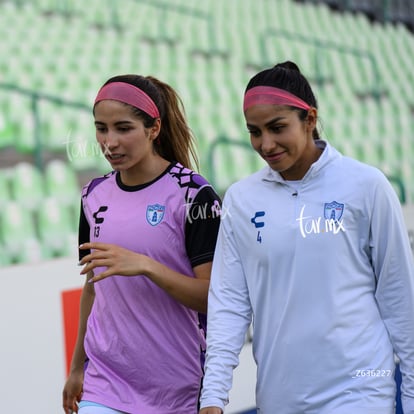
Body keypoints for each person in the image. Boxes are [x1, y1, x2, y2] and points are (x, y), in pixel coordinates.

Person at [199, 61, 414, 414]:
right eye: (254, 132)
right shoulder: (241, 198)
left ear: (310, 119)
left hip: (360, 390)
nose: (265, 144)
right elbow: (230, 302)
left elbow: (398, 298)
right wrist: (213, 396)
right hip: (278, 398)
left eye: (277, 127)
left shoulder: (366, 185)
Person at [62, 74, 221, 414]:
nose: (110, 142)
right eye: (101, 128)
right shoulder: (93, 195)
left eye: (123, 128)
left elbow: (213, 297)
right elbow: (92, 286)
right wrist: (78, 366)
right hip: (105, 379)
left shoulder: (194, 194)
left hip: (176, 386)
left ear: (153, 128)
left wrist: (147, 266)